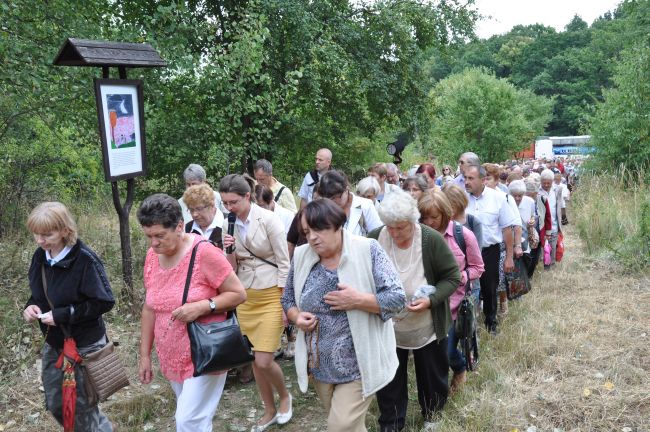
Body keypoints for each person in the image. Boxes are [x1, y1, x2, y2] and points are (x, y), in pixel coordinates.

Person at [282, 199, 405, 431]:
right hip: (319, 364)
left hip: (359, 363)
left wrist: (357, 300)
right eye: (307, 232)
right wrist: (296, 317)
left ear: (338, 225)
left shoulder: (367, 249)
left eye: (319, 229)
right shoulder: (301, 256)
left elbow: (397, 298)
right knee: (350, 426)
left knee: (339, 427)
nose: (312, 238)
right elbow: (287, 298)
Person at [137, 194, 247, 432]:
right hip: (171, 354)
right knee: (194, 421)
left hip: (205, 352)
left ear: (179, 226)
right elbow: (149, 308)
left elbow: (238, 294)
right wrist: (144, 355)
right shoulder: (151, 257)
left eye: (159, 236)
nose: (153, 243)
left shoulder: (204, 253)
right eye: (148, 236)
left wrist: (202, 306)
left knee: (188, 421)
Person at [368, 190, 461, 432]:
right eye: (390, 227)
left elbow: (452, 277)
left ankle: (432, 414)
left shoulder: (430, 239)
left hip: (426, 325)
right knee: (390, 378)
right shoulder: (375, 238)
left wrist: (431, 300)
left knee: (431, 374)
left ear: (413, 221)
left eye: (401, 227)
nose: (395, 233)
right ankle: (392, 423)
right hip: (389, 326)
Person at [23, 202, 116, 431]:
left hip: (85, 344)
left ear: (65, 230)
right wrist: (31, 306)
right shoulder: (40, 256)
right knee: (56, 403)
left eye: (47, 234)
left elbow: (104, 301)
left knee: (83, 408)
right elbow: (40, 294)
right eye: (36, 234)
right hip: (55, 342)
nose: (40, 240)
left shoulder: (85, 260)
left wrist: (63, 315)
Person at [219, 174, 293, 431]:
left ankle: (284, 397)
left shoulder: (269, 220)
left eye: (233, 202)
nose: (229, 208)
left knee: (264, 360)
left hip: (272, 293)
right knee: (254, 359)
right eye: (225, 203)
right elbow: (229, 270)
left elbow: (284, 263)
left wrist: (286, 304)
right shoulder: (227, 225)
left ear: (247, 197)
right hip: (245, 297)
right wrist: (227, 250)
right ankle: (269, 409)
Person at [417, 192, 484, 395]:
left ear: (445, 214)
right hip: (426, 304)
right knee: (432, 354)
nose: (429, 222)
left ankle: (460, 366)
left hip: (454, 305)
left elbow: (478, 267)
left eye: (434, 217)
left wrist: (460, 277)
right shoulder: (417, 235)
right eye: (424, 217)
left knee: (446, 351)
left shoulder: (462, 235)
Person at [464, 164, 519, 335]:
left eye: (470, 178)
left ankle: (491, 323)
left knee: (490, 288)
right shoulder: (462, 199)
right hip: (465, 252)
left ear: (483, 179)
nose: (466, 182)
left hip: (489, 251)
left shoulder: (498, 198)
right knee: (466, 287)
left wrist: (509, 257)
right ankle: (466, 325)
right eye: (465, 178)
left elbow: (506, 229)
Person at [316, 170, 382, 236]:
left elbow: (378, 235)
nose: (333, 202)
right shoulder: (322, 209)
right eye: (329, 199)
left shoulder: (365, 205)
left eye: (336, 197)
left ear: (346, 190)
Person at [182, 183, 224, 249]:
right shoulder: (187, 228)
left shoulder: (226, 225)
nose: (194, 214)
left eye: (199, 209)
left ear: (212, 205)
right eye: (191, 210)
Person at [539, 169, 565, 269]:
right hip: (542, 223)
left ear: (552, 181)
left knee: (553, 245)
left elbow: (560, 205)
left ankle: (551, 264)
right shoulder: (538, 190)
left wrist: (562, 221)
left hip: (553, 222)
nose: (546, 185)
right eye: (544, 183)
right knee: (543, 245)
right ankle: (544, 263)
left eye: (548, 183)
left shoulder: (557, 189)